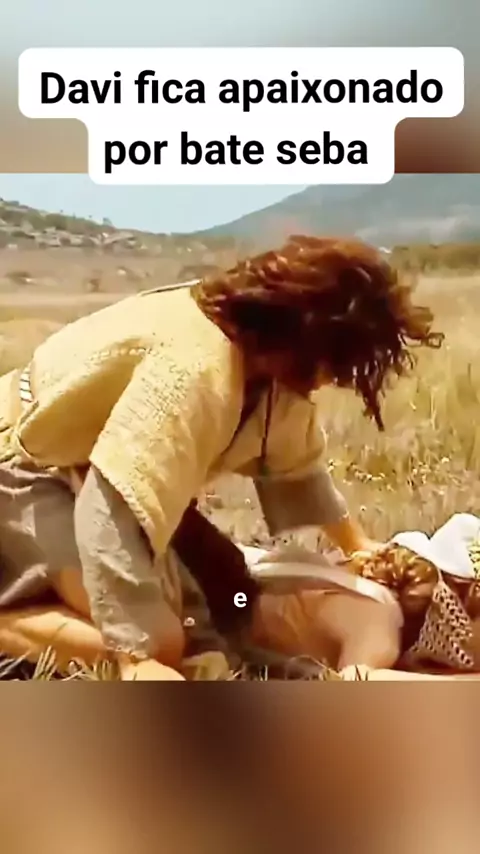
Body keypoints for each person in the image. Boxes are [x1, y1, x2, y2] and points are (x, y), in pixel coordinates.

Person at [0, 235, 442, 680]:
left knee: (227, 603)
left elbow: (298, 467)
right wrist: (138, 654)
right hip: (25, 465)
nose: (335, 379)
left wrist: (356, 545)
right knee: (160, 640)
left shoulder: (265, 368)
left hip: (93, 475)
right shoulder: (192, 369)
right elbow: (110, 508)